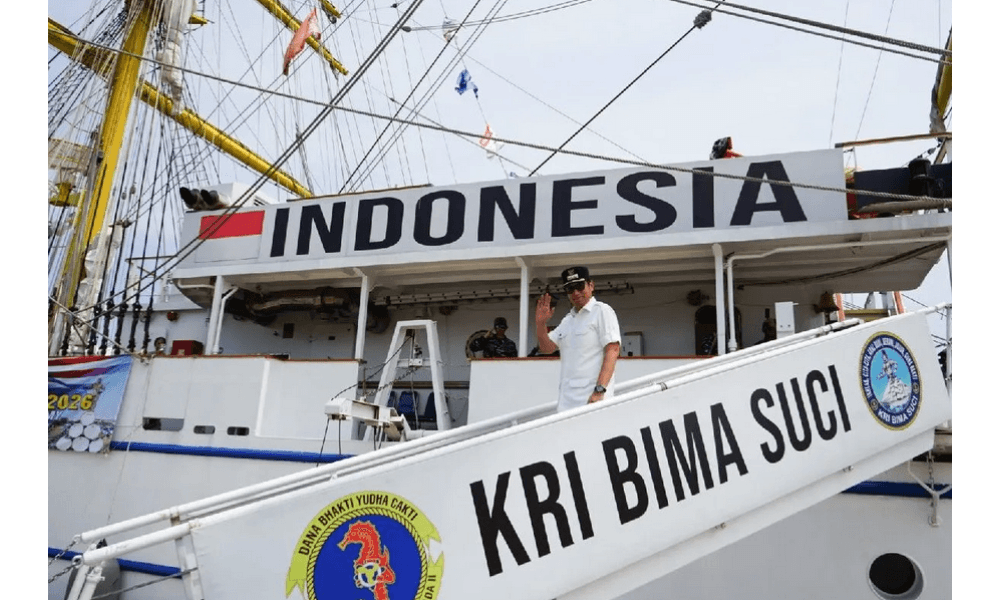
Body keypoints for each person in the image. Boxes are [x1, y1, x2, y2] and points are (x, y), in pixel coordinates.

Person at [535, 266, 621, 412]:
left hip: (593, 402)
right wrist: (540, 324)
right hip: (566, 404)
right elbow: (547, 348)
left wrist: (599, 391)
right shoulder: (568, 320)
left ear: (591, 285)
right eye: (570, 289)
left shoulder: (602, 311)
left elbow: (612, 350)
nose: (575, 292)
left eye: (579, 286)